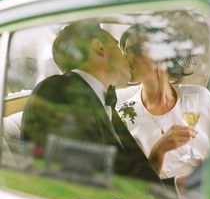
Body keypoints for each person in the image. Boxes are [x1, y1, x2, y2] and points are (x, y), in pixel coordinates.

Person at [21, 20, 160, 182]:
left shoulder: (103, 100)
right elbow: (80, 182)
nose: (125, 56)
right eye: (118, 46)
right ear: (99, 48)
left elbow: (123, 171)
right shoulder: (57, 91)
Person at [117, 24, 210, 179]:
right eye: (124, 52)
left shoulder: (199, 97)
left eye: (135, 50)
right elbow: (134, 183)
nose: (126, 58)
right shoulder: (124, 116)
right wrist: (158, 152)